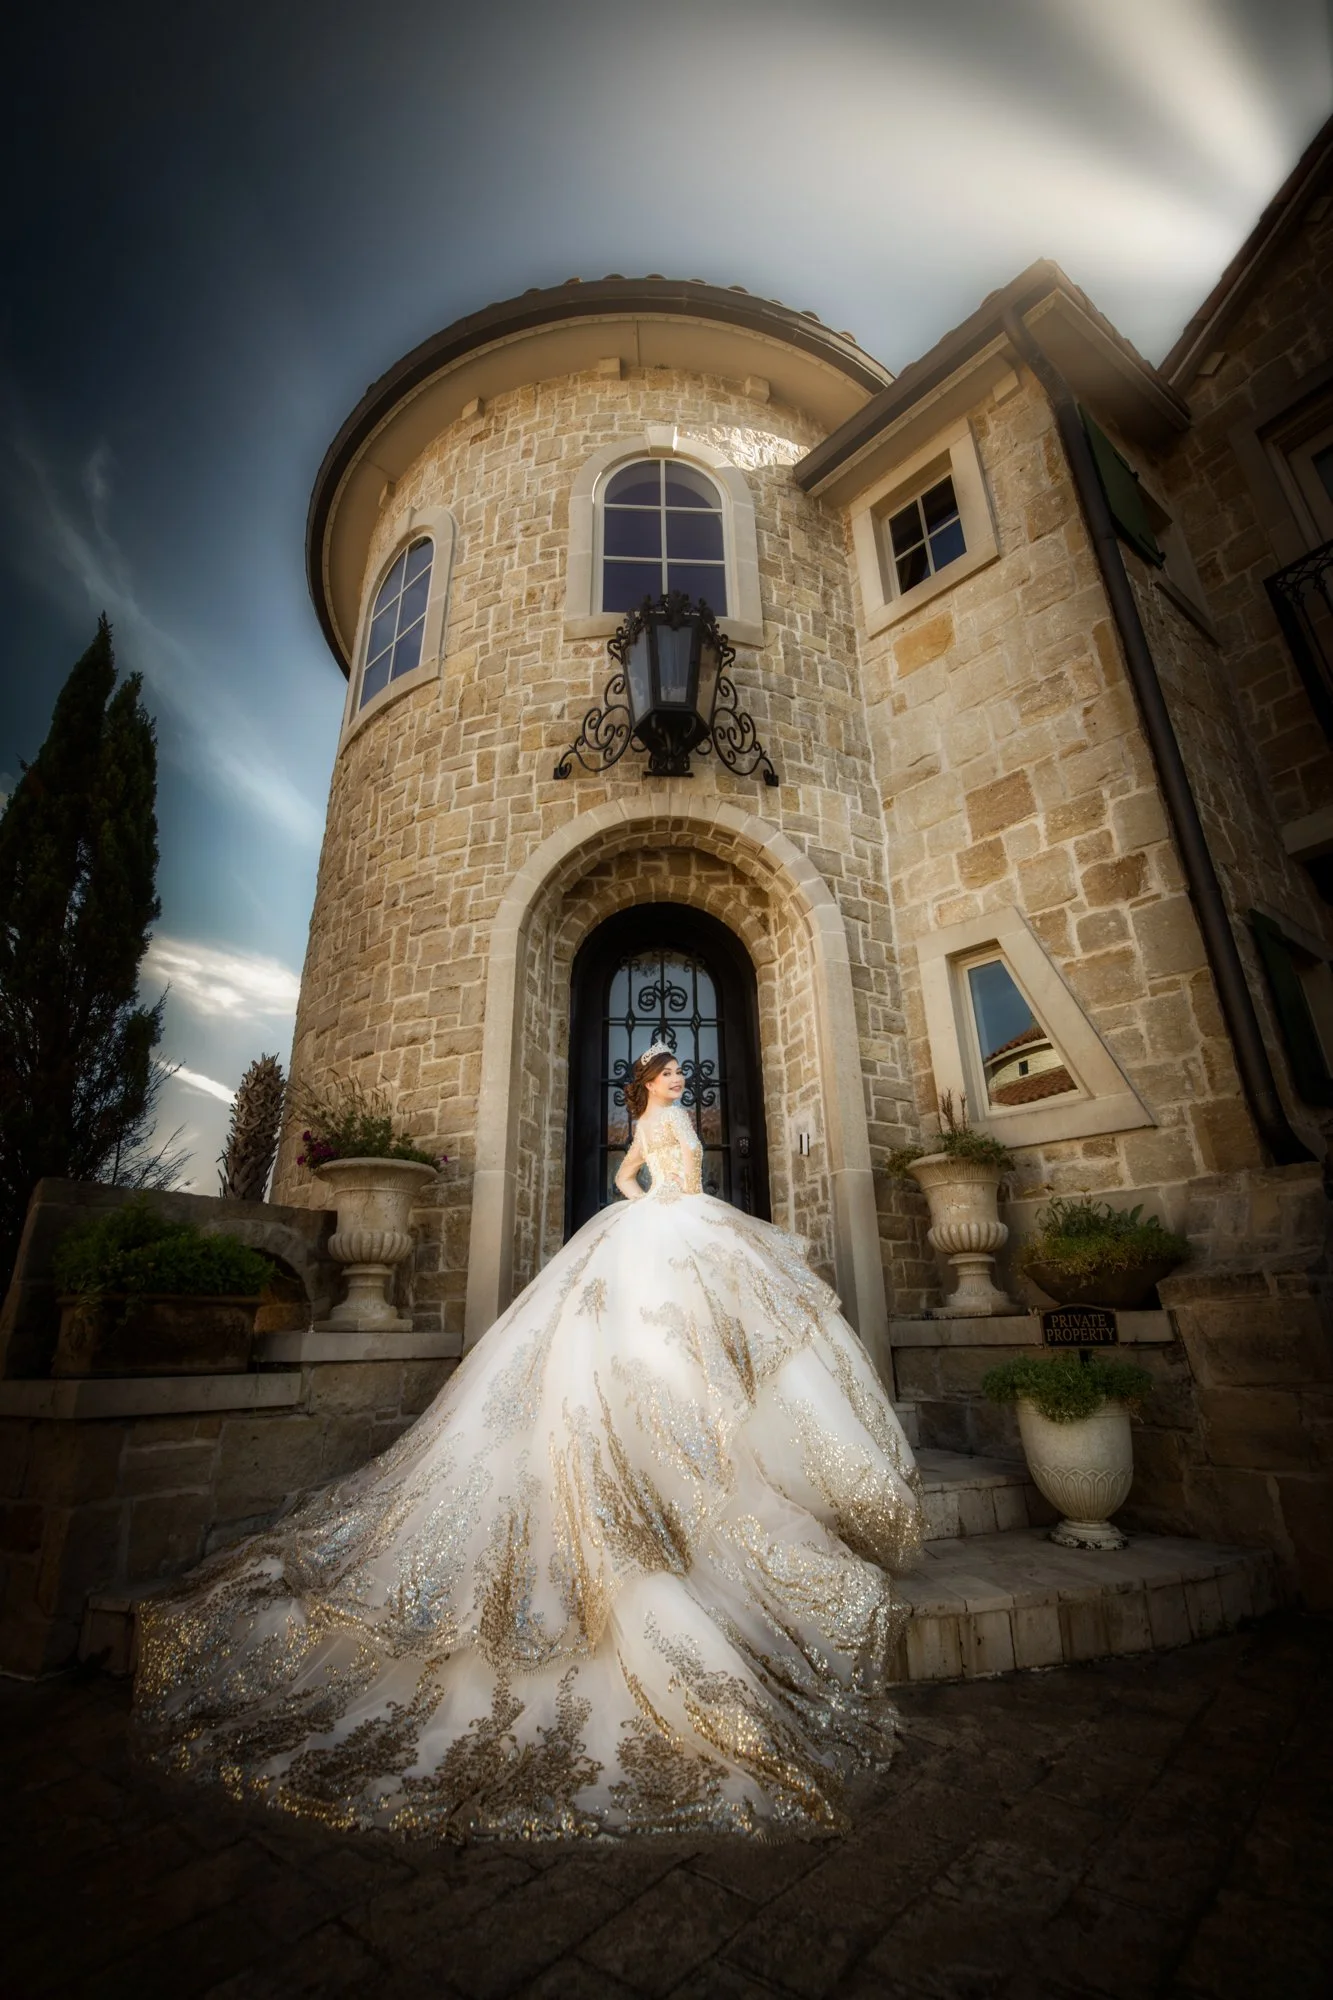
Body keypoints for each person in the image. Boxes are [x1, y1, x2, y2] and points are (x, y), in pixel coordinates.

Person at [135, 1046, 922, 1841]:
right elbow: (633, 1180)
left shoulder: (666, 1119)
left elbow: (636, 1180)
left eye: (681, 1075)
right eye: (671, 1075)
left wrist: (653, 1195)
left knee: (704, 1349)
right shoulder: (659, 1122)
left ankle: (694, 1446)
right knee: (639, 1350)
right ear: (646, 1085)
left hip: (676, 1230)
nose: (681, 1082)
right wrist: (655, 1199)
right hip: (664, 1233)